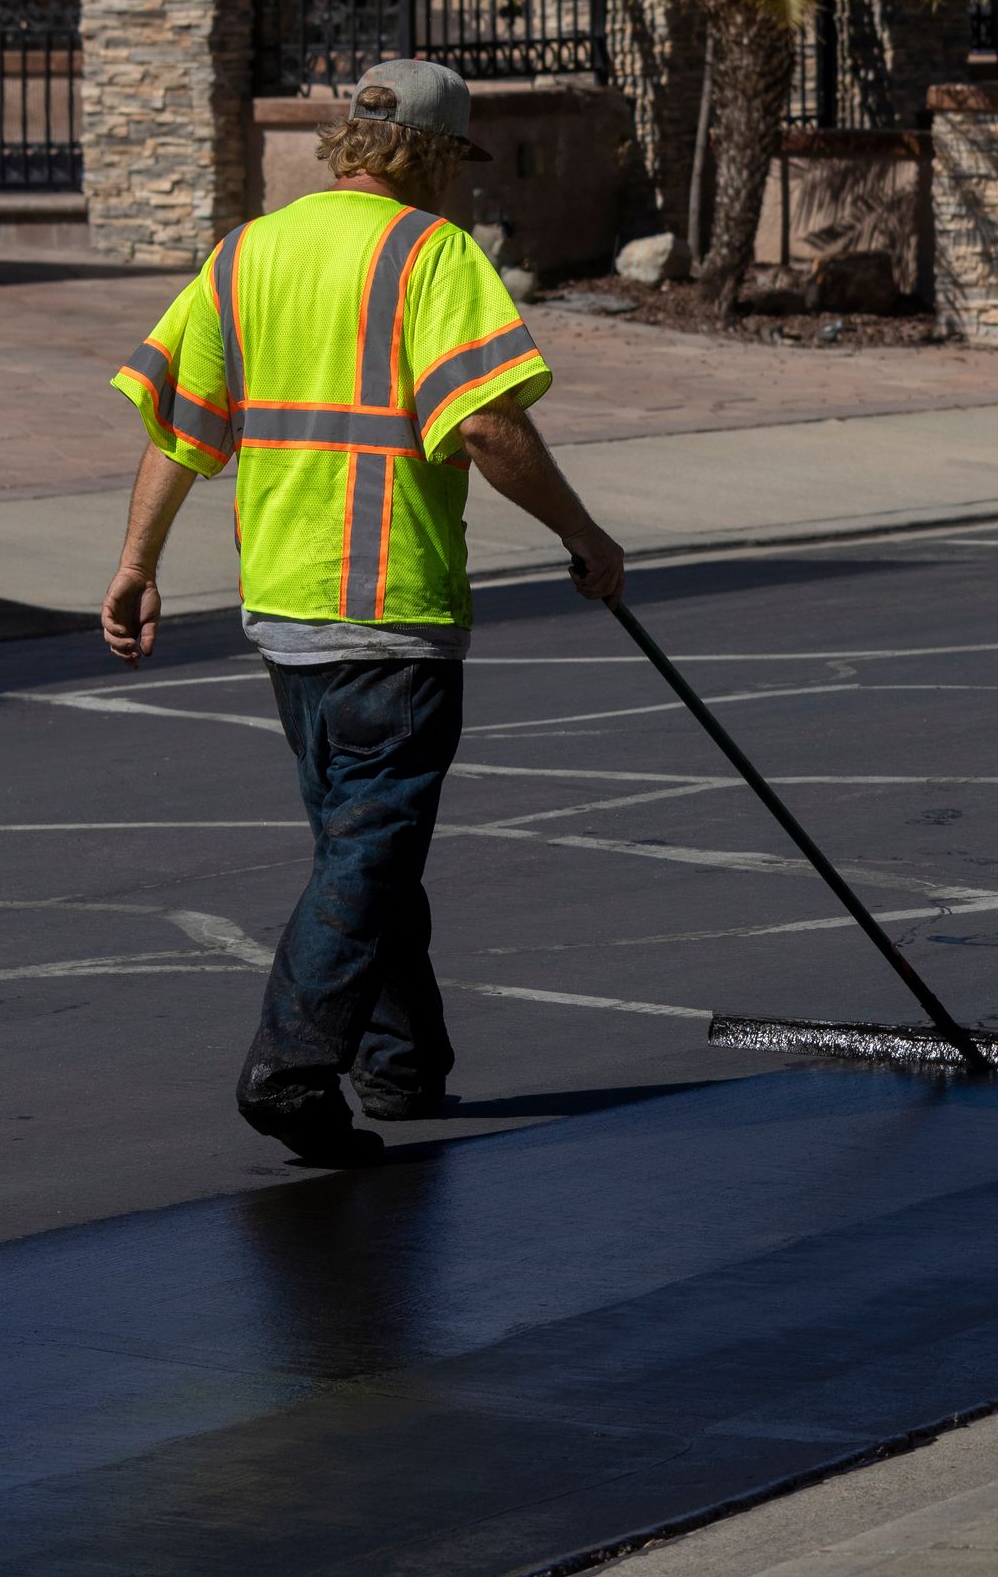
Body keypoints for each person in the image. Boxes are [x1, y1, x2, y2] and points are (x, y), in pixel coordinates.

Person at [103, 59, 625, 1166]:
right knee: (370, 850)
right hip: (390, 604)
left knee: (363, 848)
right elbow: (486, 428)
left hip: (285, 606)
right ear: (435, 156)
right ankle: (292, 1070)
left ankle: (402, 1064)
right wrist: (585, 536)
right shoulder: (433, 254)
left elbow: (181, 425)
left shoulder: (248, 251)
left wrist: (136, 563)